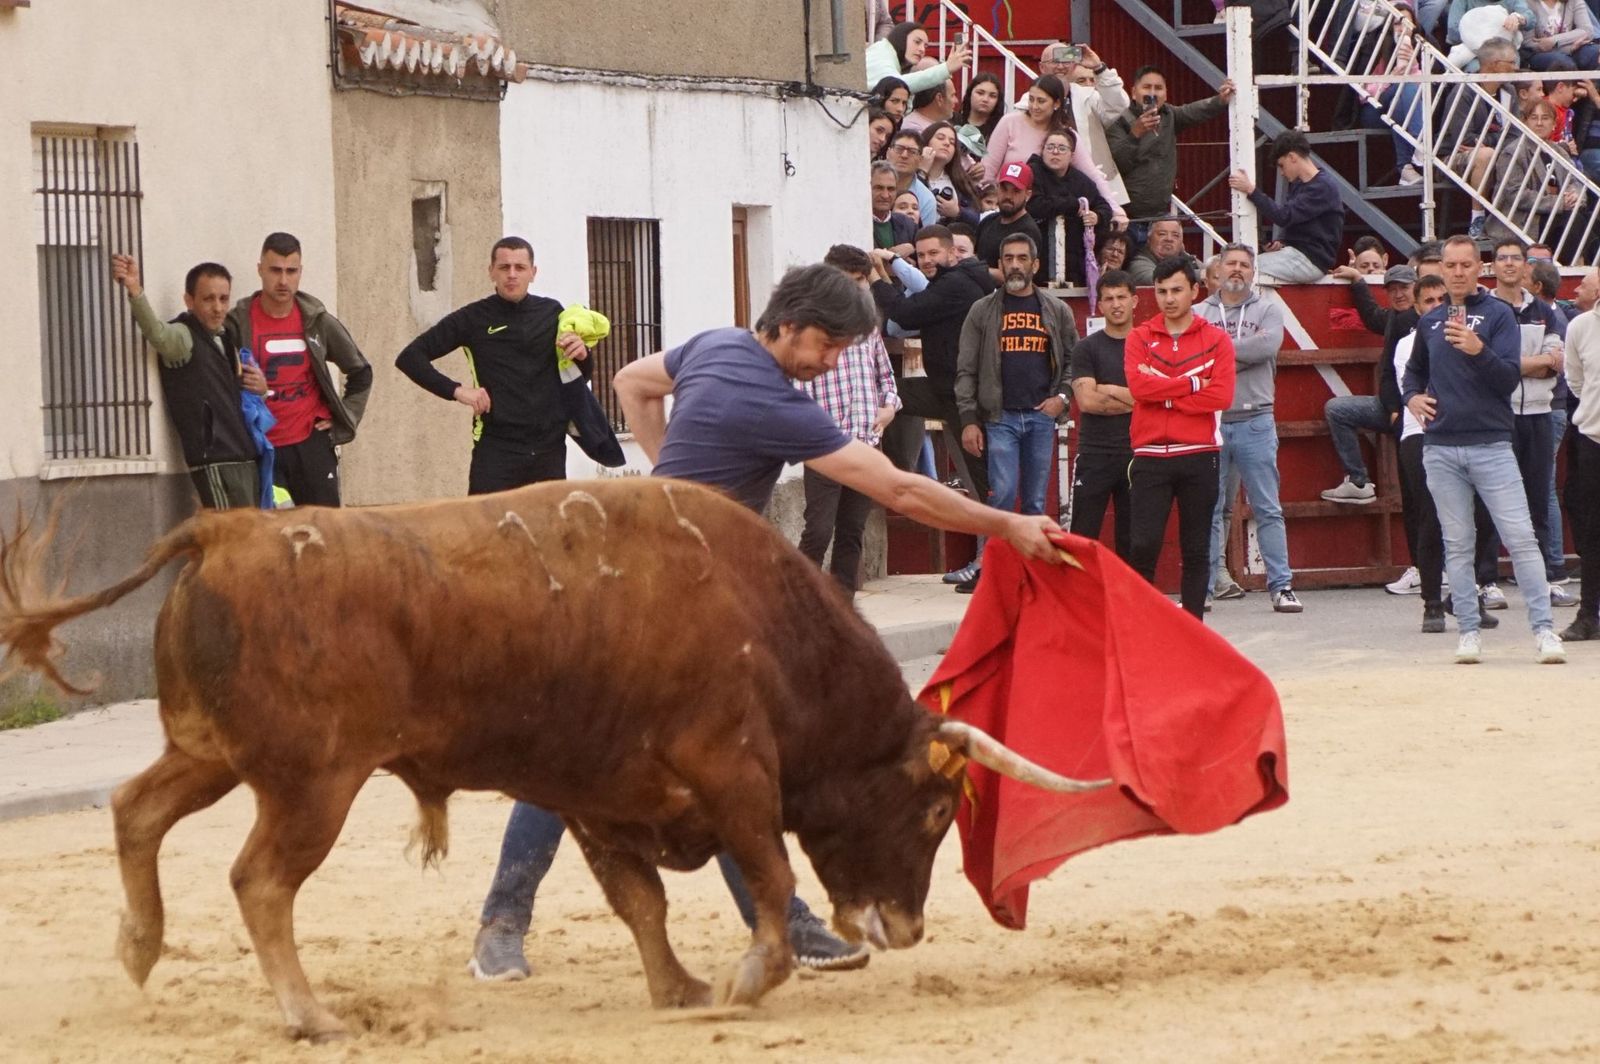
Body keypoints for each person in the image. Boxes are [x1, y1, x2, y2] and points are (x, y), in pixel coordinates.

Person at [1401, 234, 1565, 664]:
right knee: (1458, 542)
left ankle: (1544, 630)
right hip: (1440, 446)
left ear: (1480, 269)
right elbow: (1412, 373)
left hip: (1491, 443)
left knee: (1521, 538)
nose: (1456, 273)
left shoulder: (1498, 316)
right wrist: (1412, 398)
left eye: (1464, 266)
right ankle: (1469, 631)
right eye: (1449, 266)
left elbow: (1508, 378)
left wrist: (1478, 351)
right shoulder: (1430, 321)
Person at [395, 236, 591, 495]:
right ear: (491, 273)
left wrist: (583, 355)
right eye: (504, 267)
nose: (512, 275)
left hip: (549, 451)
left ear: (533, 273)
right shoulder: (473, 318)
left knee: (547, 534)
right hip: (497, 450)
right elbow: (410, 357)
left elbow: (578, 377)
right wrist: (458, 391)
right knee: (485, 534)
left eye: (520, 268)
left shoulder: (553, 313)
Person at [954, 233, 1077, 594]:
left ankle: (1033, 573)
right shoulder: (983, 310)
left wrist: (1063, 398)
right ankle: (994, 570)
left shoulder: (1056, 309)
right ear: (1001, 264)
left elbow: (1074, 360)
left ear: (1035, 265)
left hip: (1041, 416)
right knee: (1003, 496)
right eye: (1008, 258)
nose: (1015, 265)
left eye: (1022, 258)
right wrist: (968, 420)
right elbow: (966, 370)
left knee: (1037, 501)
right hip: (1000, 417)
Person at [224, 232, 372, 508]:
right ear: (260, 270)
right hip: (262, 447)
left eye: (291, 271)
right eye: (275, 270)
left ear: (300, 272)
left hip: (310, 444)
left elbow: (361, 372)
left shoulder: (317, 321)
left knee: (325, 535)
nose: (283, 280)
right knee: (273, 538)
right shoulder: (238, 323)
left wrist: (345, 418)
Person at [1125, 255, 1237, 619]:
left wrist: (1164, 393)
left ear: (1194, 290)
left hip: (1200, 454)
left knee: (1195, 548)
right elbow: (1139, 389)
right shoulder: (1139, 336)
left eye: (1176, 290)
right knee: (1143, 545)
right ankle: (1139, 626)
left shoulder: (1217, 340)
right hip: (1150, 454)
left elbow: (1220, 396)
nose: (1169, 298)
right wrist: (1190, 385)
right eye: (1161, 291)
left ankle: (1193, 627)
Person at [111, 255, 269, 510]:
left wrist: (261, 390)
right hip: (215, 461)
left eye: (223, 299)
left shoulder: (227, 338)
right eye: (208, 299)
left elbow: (240, 397)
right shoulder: (184, 335)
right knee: (226, 541)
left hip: (246, 459)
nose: (218, 307)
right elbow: (158, 334)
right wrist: (135, 290)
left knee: (250, 543)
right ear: (189, 300)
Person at [870, 227, 997, 533]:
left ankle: (992, 553)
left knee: (981, 478)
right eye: (921, 254)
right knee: (885, 393)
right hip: (945, 389)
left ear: (953, 253)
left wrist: (873, 278)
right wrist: (887, 273)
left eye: (933, 253)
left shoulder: (955, 285)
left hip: (962, 395)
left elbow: (907, 312)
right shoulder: (952, 281)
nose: (927, 260)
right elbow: (905, 315)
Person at [1196, 245, 1300, 613]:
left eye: (1244, 265)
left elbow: (1267, 346)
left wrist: (1218, 355)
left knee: (1268, 508)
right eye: (1231, 264)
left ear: (1253, 272)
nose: (1237, 270)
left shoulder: (1269, 309)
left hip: (1256, 418)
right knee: (1208, 509)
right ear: (1218, 270)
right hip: (1212, 421)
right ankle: (1203, 589)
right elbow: (1195, 358)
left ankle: (1281, 586)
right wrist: (1237, 354)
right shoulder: (1199, 312)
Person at [797, 246, 901, 599]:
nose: (861, 288)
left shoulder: (867, 325)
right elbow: (793, 385)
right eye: (854, 281)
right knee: (818, 531)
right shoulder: (806, 326)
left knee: (852, 532)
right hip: (825, 446)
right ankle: (798, 601)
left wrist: (888, 408)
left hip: (864, 445)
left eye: (863, 281)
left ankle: (841, 609)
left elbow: (886, 378)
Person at [1483, 238, 1577, 604]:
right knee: (1490, 500)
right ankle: (1487, 582)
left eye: (1515, 259)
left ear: (1526, 267)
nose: (1509, 264)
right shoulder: (1485, 310)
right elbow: (1488, 366)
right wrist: (1528, 364)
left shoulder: (1543, 311)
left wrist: (1513, 365)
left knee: (1537, 499)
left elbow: (1557, 360)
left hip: (1538, 414)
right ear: (1493, 266)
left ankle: (1544, 581)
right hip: (1498, 417)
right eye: (1502, 258)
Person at [1106, 67, 1235, 236]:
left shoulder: (1169, 115)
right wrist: (1135, 134)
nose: (1152, 93)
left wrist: (1221, 100)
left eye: (1158, 88)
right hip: (1128, 219)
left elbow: (1195, 111)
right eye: (1147, 87)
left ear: (1165, 94)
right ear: (1134, 92)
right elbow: (1117, 166)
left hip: (1160, 217)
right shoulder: (1119, 123)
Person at [1394, 275, 1454, 631]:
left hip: (1462, 430)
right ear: (1417, 308)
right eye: (1428, 301)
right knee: (1431, 519)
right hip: (1421, 433)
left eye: (1440, 299)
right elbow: (1422, 390)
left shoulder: (1463, 334)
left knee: (1475, 519)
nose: (1434, 306)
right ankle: (1432, 601)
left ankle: (1468, 593)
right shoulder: (1407, 344)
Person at [984, 75, 1124, 221]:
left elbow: (1092, 174)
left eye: (1041, 101)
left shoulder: (1066, 135)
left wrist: (1116, 210)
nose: (1034, 106)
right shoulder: (1009, 122)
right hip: (1008, 210)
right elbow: (988, 170)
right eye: (1031, 99)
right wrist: (990, 204)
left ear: (1056, 103)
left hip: (1049, 215)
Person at [1069, 270, 1138, 559]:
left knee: (1134, 541)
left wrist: (1108, 389)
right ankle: (1077, 602)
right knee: (1082, 537)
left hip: (1138, 453)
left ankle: (1130, 603)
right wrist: (1136, 398)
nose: (1116, 304)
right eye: (1108, 298)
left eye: (1122, 297)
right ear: (1099, 305)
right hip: (1094, 454)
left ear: (1135, 300)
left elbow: (1159, 398)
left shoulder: (1148, 345)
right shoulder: (1086, 348)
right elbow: (1087, 402)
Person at [1227, 131, 1345, 284]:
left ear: (1292, 157)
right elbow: (1294, 219)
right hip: (1302, 256)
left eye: (1282, 165)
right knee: (1244, 265)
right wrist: (1282, 241)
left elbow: (1284, 216)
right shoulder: (1306, 184)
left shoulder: (1323, 186)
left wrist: (1251, 190)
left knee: (1245, 266)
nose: (1282, 172)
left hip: (1309, 260)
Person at [1561, 287, 1600, 639]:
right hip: (1593, 440)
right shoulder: (1581, 327)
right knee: (1591, 532)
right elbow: (1575, 380)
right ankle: (1589, 615)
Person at [1025, 129, 1112, 285]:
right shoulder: (1032, 172)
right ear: (1042, 151)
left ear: (1071, 156)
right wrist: (1074, 205)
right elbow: (1035, 205)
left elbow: (1104, 206)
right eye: (1050, 147)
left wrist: (1097, 216)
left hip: (1072, 258)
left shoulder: (1080, 180)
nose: (1055, 152)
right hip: (1038, 251)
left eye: (1062, 148)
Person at [975, 162, 1046, 284]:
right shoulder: (988, 221)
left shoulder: (1028, 231)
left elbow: (1017, 276)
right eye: (1004, 188)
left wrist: (977, 270)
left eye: (1016, 191)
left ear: (1027, 195)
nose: (1008, 196)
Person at [865, 21, 969, 96]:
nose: (922, 49)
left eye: (925, 46)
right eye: (917, 42)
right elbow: (895, 85)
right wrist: (946, 68)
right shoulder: (880, 52)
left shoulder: (884, 51)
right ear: (901, 37)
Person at [919, 121, 982, 225]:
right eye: (940, 138)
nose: (947, 143)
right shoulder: (911, 174)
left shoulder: (960, 181)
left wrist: (957, 212)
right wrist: (921, 172)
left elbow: (976, 217)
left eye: (952, 142)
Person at [886, 129, 938, 227]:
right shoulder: (868, 181)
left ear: (920, 159)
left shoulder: (926, 199)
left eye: (912, 152)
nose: (904, 155)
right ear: (888, 153)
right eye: (899, 149)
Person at [1127, 217, 1201, 286]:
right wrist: (1199, 275)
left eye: (1175, 235)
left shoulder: (1183, 256)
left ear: (1181, 242)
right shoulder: (1138, 262)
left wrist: (1185, 254)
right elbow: (1160, 280)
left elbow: (1209, 271)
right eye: (1162, 234)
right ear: (1149, 239)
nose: (1169, 239)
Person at [956, 72, 1006, 156]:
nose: (985, 99)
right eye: (980, 93)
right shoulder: (953, 121)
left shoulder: (1000, 129)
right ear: (970, 94)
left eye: (992, 96)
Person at [872, 160, 917, 252]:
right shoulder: (856, 225)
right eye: (879, 188)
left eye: (891, 189)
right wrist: (895, 256)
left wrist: (912, 248)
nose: (885, 195)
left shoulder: (908, 225)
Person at [900, 70, 957, 139]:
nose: (956, 101)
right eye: (952, 95)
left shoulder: (944, 124)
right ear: (939, 98)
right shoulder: (911, 129)